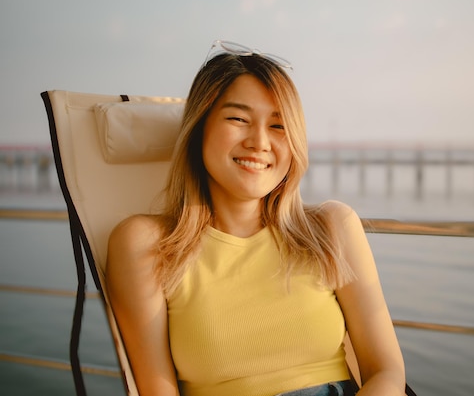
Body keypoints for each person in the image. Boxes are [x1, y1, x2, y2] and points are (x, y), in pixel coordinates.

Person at [106, 40, 406, 396]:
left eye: (278, 126)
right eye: (238, 119)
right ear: (200, 127)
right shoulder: (146, 244)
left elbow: (386, 372)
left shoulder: (332, 228)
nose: (260, 142)